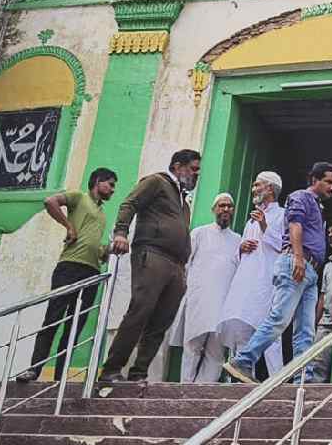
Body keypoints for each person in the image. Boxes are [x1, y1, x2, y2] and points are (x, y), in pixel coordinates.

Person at [223, 162, 332, 384]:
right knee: (279, 318)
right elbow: (295, 226)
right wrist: (297, 258)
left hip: (311, 271)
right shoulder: (301, 197)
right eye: (328, 182)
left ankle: (302, 377)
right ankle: (243, 361)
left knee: (305, 330)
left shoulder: (317, 206)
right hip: (297, 263)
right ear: (315, 180)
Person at [99, 149, 201, 382]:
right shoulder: (156, 182)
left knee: (162, 321)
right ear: (177, 166)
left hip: (176, 266)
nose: (196, 174)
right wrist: (121, 233)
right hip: (152, 255)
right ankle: (112, 369)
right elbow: (129, 204)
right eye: (193, 169)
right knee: (140, 311)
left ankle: (139, 372)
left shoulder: (183, 202)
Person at [17, 168, 118, 383]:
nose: (112, 189)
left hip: (91, 272)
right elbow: (50, 202)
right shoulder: (79, 197)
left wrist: (108, 250)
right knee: (53, 319)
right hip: (69, 267)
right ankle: (34, 370)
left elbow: (96, 249)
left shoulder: (101, 214)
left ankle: (60, 377)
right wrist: (68, 226)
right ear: (98, 181)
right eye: (110, 184)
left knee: (74, 326)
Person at [218, 171, 286, 376]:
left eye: (258, 185)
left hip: (267, 282)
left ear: (271, 189)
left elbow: (284, 246)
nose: (253, 189)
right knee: (242, 326)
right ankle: (242, 378)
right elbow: (240, 257)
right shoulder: (249, 222)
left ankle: (277, 379)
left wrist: (265, 225)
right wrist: (241, 248)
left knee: (269, 331)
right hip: (246, 281)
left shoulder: (282, 215)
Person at [170, 193, 241, 383]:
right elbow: (185, 263)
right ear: (214, 209)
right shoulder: (199, 233)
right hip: (199, 298)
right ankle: (186, 386)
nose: (226, 209)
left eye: (229, 206)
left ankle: (204, 387)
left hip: (223, 301)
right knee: (193, 344)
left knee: (216, 352)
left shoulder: (238, 240)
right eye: (221, 206)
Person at [307, 225, 332, 383]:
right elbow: (323, 296)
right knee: (317, 364)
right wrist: (315, 322)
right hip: (326, 323)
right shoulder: (328, 266)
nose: (330, 235)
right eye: (328, 232)